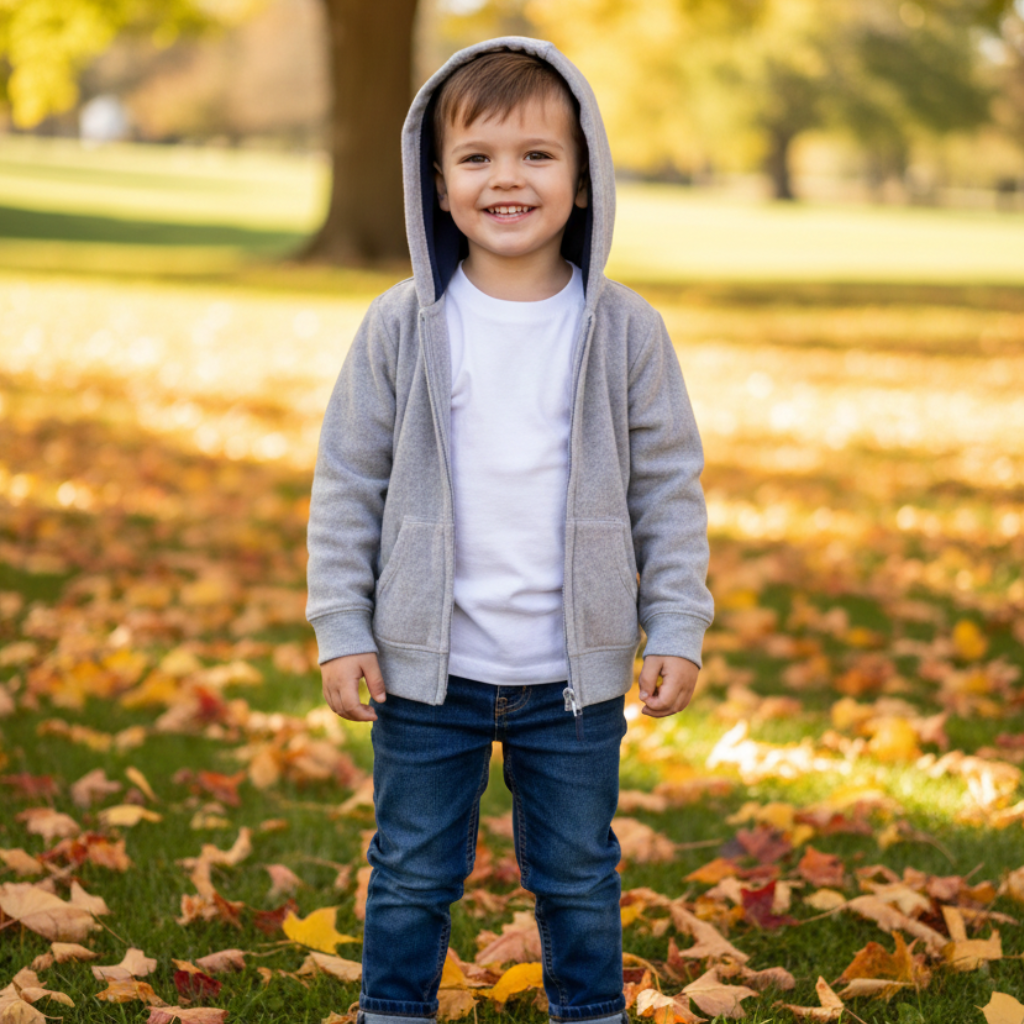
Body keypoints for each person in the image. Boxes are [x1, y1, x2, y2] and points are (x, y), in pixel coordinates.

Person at [305, 36, 714, 1024]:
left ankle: (590, 1010)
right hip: (424, 674)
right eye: (478, 157)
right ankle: (393, 1010)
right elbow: (349, 480)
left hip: (570, 679)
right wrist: (342, 626)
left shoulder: (622, 330)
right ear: (436, 184)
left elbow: (668, 488)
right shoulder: (403, 324)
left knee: (576, 870)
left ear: (583, 182)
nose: (507, 179)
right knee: (409, 867)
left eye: (538, 155)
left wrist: (677, 626)